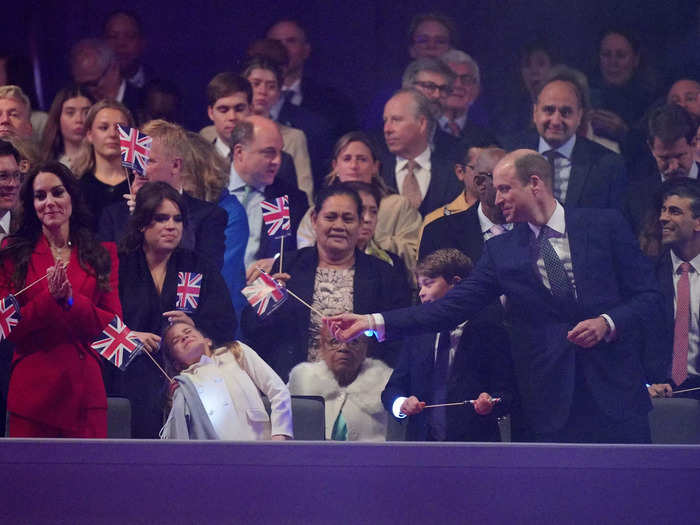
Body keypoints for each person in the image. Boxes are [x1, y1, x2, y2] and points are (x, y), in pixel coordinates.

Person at [329, 150, 663, 444]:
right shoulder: (502, 251)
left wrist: (608, 322)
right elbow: (450, 308)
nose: (494, 196)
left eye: (504, 188)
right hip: (546, 403)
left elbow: (649, 296)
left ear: (534, 183)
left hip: (615, 394)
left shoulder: (604, 225)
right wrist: (372, 321)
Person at [0, 162, 121, 437]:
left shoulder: (102, 254)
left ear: (71, 198)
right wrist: (49, 301)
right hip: (32, 397)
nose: (49, 202)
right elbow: (9, 327)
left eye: (57, 192)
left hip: (85, 396)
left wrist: (69, 301)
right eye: (40, 196)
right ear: (31, 205)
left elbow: (112, 327)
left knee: (87, 480)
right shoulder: (13, 254)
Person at [242, 184, 410, 381]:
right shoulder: (284, 265)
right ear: (314, 220)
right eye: (330, 217)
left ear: (360, 224)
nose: (338, 226)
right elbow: (249, 328)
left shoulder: (384, 274)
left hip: (362, 391)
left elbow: (399, 339)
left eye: (348, 219)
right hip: (296, 386)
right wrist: (270, 303)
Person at [117, 181, 237, 438]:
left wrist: (195, 324)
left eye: (177, 219)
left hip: (192, 383)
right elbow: (100, 323)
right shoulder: (119, 264)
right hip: (130, 381)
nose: (171, 226)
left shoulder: (197, 265)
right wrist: (128, 337)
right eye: (161, 219)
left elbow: (227, 323)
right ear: (142, 223)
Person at [382, 249, 515, 442]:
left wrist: (491, 402)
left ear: (456, 284)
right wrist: (402, 404)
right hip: (421, 450)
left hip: (475, 449)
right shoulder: (418, 335)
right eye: (419, 286)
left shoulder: (490, 331)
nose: (421, 293)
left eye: (428, 284)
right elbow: (392, 390)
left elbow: (507, 393)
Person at [97, 118, 227, 270]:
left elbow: (205, 275)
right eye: (136, 160)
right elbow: (105, 274)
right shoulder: (113, 216)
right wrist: (138, 217)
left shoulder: (208, 216)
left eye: (148, 161)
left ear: (175, 165)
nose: (137, 170)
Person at [296, 131, 422, 272]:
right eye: (347, 159)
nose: (354, 166)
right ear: (335, 166)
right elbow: (305, 255)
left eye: (362, 159)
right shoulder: (320, 210)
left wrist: (372, 241)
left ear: (375, 167)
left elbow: (417, 255)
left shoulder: (398, 206)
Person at [503, 72, 627, 211]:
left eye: (566, 112)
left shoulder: (608, 165)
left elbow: (616, 225)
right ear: (535, 112)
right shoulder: (508, 155)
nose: (556, 121)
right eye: (549, 110)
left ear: (579, 116)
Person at [160, 321, 292, 440]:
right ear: (176, 364)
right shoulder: (183, 385)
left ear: (207, 340)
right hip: (216, 455)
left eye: (188, 331)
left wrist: (280, 434)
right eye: (176, 340)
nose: (184, 337)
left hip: (258, 442)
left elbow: (278, 390)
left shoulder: (236, 352)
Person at [227, 116, 307, 281]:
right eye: (269, 153)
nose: (278, 161)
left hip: (261, 295)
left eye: (280, 152)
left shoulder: (285, 199)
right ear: (240, 152)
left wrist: (278, 263)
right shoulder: (209, 190)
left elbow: (300, 254)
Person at [199, 72, 300, 198]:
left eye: (239, 109)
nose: (232, 117)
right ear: (211, 113)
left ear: (251, 109)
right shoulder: (199, 161)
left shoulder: (279, 162)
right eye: (223, 110)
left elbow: (281, 210)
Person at [288, 323, 391, 441]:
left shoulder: (384, 381)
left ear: (365, 347)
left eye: (354, 342)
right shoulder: (302, 379)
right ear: (322, 346)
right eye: (334, 342)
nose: (344, 348)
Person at [648, 179, 700, 400]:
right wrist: (646, 385)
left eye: (674, 211)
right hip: (659, 396)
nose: (663, 218)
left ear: (698, 222)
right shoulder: (645, 273)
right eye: (663, 210)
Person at [266, 19, 358, 138]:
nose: (283, 48)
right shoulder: (249, 97)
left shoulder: (334, 102)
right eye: (276, 43)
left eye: (291, 41)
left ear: (306, 50)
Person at [242, 56, 313, 203]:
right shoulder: (217, 133)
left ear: (279, 93)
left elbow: (305, 191)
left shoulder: (293, 137)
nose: (262, 91)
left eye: (271, 86)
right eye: (255, 84)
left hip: (275, 204)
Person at [380, 89, 462, 216]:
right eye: (385, 121)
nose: (387, 129)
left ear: (422, 123)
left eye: (396, 120)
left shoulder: (453, 175)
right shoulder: (377, 172)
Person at [420, 148, 508, 262]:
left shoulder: (531, 226)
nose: (514, 192)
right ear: (480, 183)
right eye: (504, 185)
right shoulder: (439, 233)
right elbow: (430, 278)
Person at [625, 104, 697, 242]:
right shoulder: (635, 196)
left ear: (693, 143)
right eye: (664, 158)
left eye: (680, 156)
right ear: (651, 148)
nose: (673, 166)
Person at [72, 99, 135, 227]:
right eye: (104, 128)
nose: (113, 134)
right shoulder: (76, 187)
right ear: (89, 134)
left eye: (120, 128)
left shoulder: (140, 185)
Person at [70, 39, 143, 119]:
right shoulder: (81, 108)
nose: (88, 89)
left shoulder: (143, 104)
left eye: (93, 83)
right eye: (82, 85)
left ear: (114, 69)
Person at [439, 50, 498, 148]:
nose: (458, 85)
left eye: (466, 80)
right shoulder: (421, 133)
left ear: (477, 90)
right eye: (450, 78)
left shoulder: (487, 140)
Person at [39, 85, 94, 169]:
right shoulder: (45, 166)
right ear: (58, 117)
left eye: (86, 113)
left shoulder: (104, 164)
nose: (79, 119)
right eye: (70, 113)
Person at [103, 10, 152, 89]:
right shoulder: (86, 89)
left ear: (142, 43)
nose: (121, 44)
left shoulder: (161, 83)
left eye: (130, 36)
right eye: (113, 37)